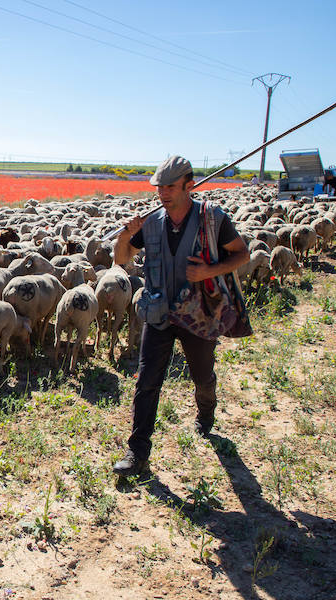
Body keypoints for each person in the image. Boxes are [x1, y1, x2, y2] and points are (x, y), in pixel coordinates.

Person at [112, 156, 250, 477]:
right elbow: (121, 259)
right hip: (160, 313)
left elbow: (241, 253)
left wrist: (208, 271)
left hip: (199, 314)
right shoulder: (152, 223)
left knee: (202, 375)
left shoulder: (212, 219)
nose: (163, 192)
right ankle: (138, 452)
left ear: (189, 185)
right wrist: (125, 235)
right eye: (160, 186)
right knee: (147, 381)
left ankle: (206, 409)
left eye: (170, 186)